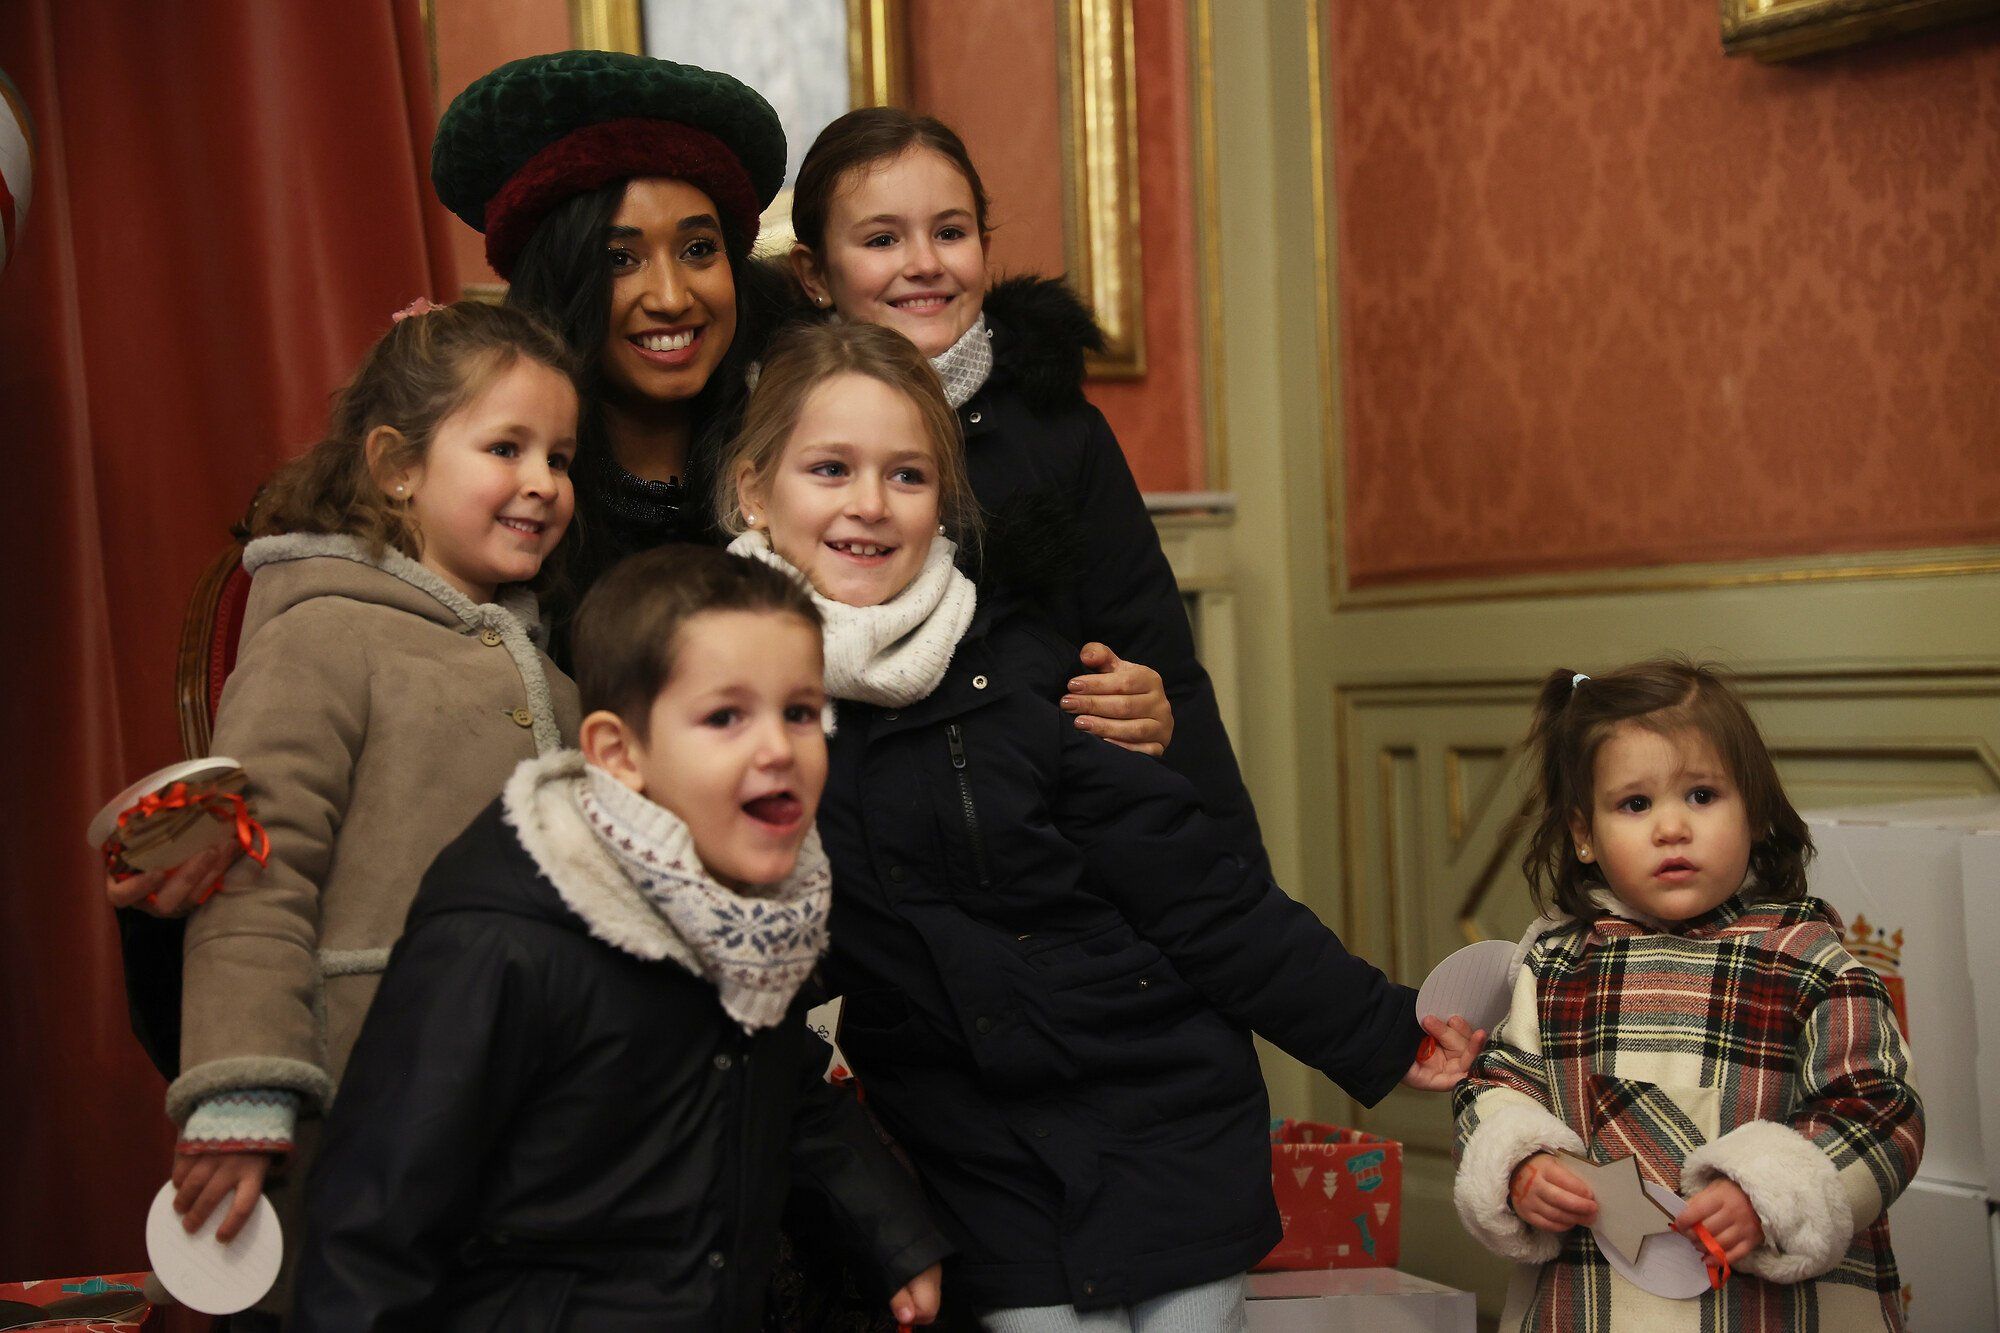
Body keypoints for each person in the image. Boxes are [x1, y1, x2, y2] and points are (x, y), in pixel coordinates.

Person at [720, 321, 1481, 1330]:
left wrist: (1379, 1030)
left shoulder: (1027, 671)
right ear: (753, 491)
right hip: (976, 1163)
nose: (869, 503)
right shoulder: (736, 710)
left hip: (1164, 1115)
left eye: (905, 475)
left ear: (942, 499)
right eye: (830, 468)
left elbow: (1199, 890)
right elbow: (756, 976)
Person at [293, 547, 950, 1330]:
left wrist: (897, 1234)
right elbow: (372, 1228)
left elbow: (792, 1091)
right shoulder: (498, 943)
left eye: (800, 712)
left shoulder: (756, 912)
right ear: (618, 755)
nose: (779, 747)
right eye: (725, 716)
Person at [428, 55, 1173, 743]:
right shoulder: (508, 485)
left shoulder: (813, 440)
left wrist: (1133, 705)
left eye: (698, 250)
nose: (669, 295)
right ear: (563, 279)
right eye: (618, 258)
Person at [163, 300, 584, 1322]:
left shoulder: (556, 686)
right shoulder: (320, 638)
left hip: (530, 1120)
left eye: (561, 457)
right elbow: (254, 866)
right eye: (505, 446)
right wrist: (242, 1087)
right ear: (397, 465)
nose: (543, 481)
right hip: (364, 1101)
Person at [787, 107, 1244, 830]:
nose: (924, 263)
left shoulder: (1061, 431)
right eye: (882, 238)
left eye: (950, 232)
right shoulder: (774, 434)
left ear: (984, 246)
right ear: (814, 274)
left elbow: (1161, 664)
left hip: (1058, 826)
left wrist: (1150, 708)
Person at [1452, 660, 1924, 1331]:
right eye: (1635, 804)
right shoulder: (1555, 968)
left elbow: (1883, 1112)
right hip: (1591, 1305)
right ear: (1584, 834)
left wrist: (1772, 1191)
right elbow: (1495, 1084)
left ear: (1754, 810)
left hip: (1769, 1308)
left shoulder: (1811, 965)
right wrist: (1519, 1162)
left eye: (1702, 795)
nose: (1672, 827)